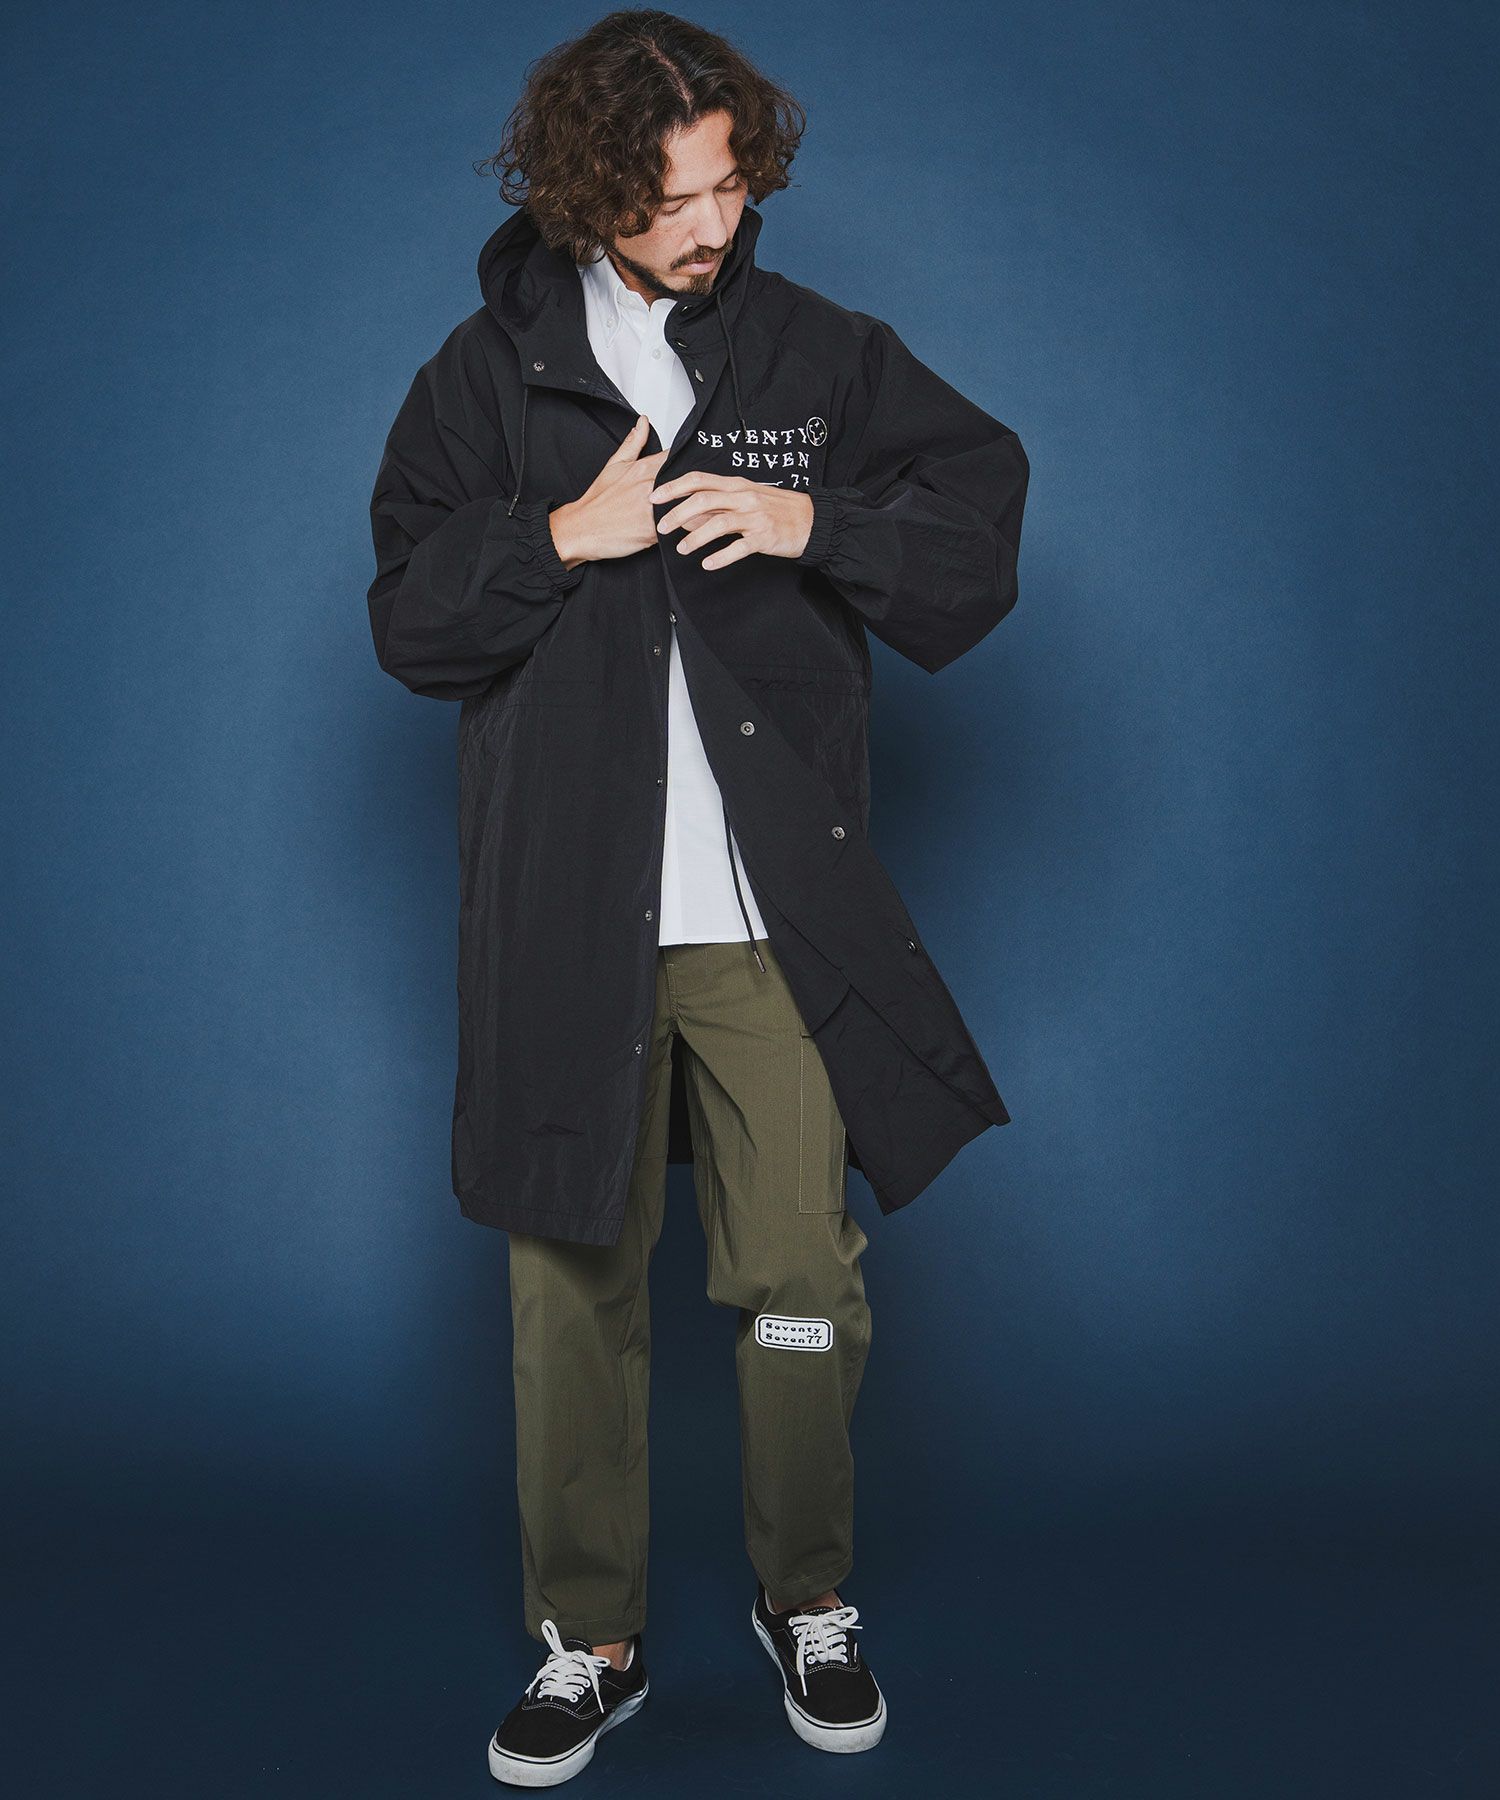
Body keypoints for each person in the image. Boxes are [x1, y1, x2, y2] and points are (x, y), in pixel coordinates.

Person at [365, 10, 1028, 1786]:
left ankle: (806, 1596)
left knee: (803, 1276)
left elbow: (978, 530)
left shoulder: (818, 355)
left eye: (731, 185)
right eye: (671, 197)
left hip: (767, 922)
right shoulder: (481, 381)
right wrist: (553, 542)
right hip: (564, 919)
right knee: (569, 1291)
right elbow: (407, 620)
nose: (712, 225)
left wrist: (822, 530)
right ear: (587, 191)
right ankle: (589, 1640)